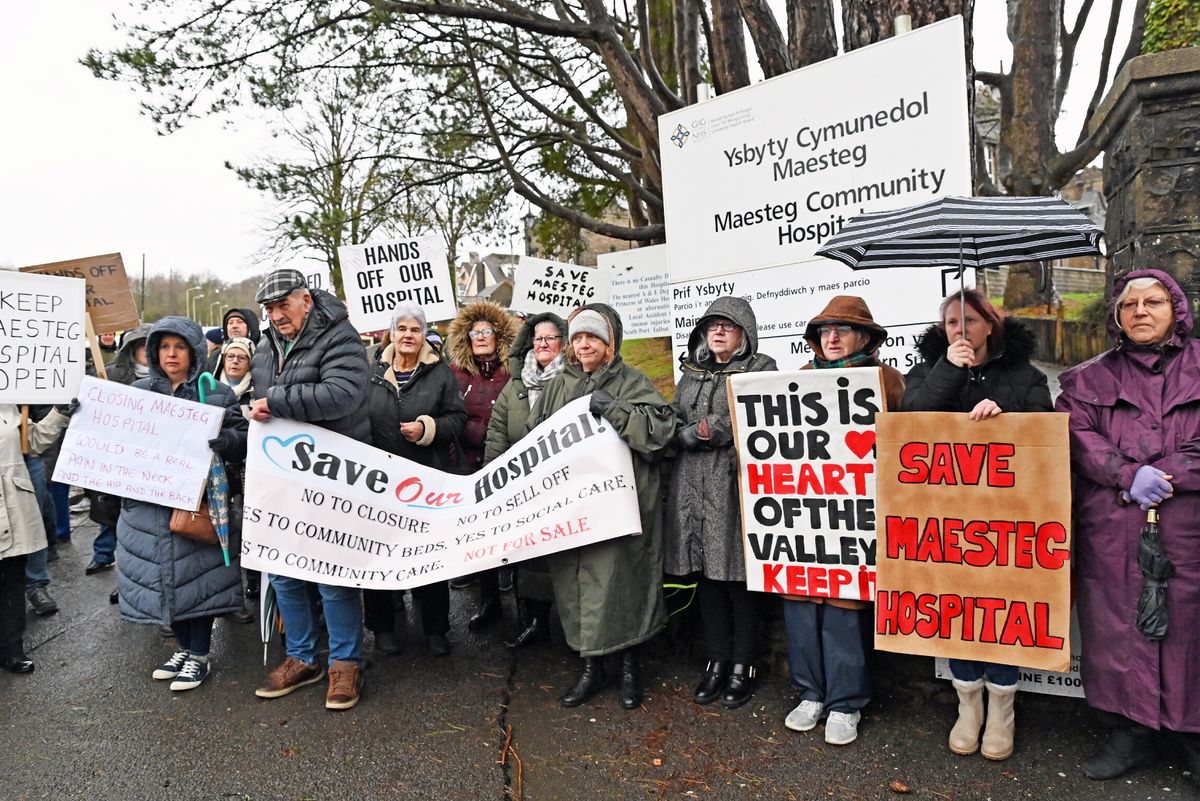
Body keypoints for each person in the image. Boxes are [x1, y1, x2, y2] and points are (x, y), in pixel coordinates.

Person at [1056, 269, 1200, 781]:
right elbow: (1074, 434)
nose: (1141, 310)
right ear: (1117, 317)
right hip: (1114, 524)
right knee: (1117, 624)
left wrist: (1166, 475)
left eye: (1154, 301)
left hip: (1187, 526)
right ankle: (1130, 731)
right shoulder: (1085, 379)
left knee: (1188, 626)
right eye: (1130, 304)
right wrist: (1124, 473)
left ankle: (1192, 735)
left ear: (1175, 310)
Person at [901, 288, 1051, 761]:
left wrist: (1006, 418)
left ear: (990, 324)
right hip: (946, 520)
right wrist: (950, 369)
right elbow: (909, 423)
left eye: (970, 320)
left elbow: (1046, 432)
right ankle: (969, 708)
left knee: (1002, 611)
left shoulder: (1025, 375)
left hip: (1007, 524)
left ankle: (1002, 709)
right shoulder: (927, 371)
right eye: (951, 323)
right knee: (957, 610)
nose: (961, 330)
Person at [532, 304, 676, 709]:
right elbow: (536, 439)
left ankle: (630, 667)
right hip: (577, 508)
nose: (583, 345)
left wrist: (614, 408)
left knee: (623, 583)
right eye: (577, 338)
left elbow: (658, 434)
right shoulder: (558, 385)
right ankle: (592, 668)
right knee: (580, 587)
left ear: (610, 342)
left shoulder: (632, 381)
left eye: (591, 337)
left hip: (621, 507)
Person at [779, 297, 905, 745]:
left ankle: (846, 702)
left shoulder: (888, 381)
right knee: (800, 603)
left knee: (844, 609)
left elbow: (906, 446)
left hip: (855, 518)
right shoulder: (797, 381)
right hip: (803, 516)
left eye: (842, 330)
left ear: (865, 337)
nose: (831, 338)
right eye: (824, 330)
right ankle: (810, 692)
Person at [249, 268, 371, 711]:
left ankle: (345, 662)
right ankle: (302, 657)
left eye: (283, 305)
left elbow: (343, 394)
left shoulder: (341, 338)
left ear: (306, 300)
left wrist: (277, 401)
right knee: (283, 569)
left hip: (332, 476)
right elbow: (263, 399)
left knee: (332, 572)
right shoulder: (265, 346)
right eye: (269, 308)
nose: (276, 315)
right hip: (284, 475)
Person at [115, 316, 248, 692]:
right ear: (154, 352)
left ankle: (200, 656)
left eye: (179, 347)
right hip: (147, 508)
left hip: (195, 504)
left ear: (194, 352)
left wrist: (229, 443)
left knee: (196, 581)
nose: (171, 355)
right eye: (164, 347)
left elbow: (242, 435)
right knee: (161, 580)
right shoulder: (137, 392)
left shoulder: (215, 392)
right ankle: (183, 648)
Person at [664, 297, 777, 710]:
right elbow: (672, 419)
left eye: (727, 325)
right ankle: (716, 659)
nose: (718, 332)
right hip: (691, 485)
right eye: (712, 325)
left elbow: (753, 413)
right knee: (708, 576)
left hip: (735, 482)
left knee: (737, 574)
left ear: (744, 331)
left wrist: (705, 430)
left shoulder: (760, 367)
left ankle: (743, 664)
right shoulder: (691, 373)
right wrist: (682, 431)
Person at [364, 303, 466, 657]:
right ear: (391, 333)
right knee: (378, 553)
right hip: (377, 482)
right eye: (402, 328)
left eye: (415, 330)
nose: (408, 335)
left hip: (425, 481)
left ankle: (436, 629)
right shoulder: (370, 368)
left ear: (424, 335)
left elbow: (457, 417)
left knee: (429, 555)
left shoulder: (440, 373)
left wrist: (428, 429)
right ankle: (382, 628)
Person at [484, 312, 568, 649]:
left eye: (550, 338)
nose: (543, 344)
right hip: (524, 490)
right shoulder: (515, 386)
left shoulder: (575, 381)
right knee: (531, 559)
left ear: (563, 342)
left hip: (565, 487)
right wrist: (492, 482)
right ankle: (535, 621)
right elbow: (497, 436)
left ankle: (574, 626)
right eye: (537, 338)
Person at [446, 301, 519, 628]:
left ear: (499, 334)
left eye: (486, 330)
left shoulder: (514, 370)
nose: (480, 337)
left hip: (511, 466)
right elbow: (449, 416)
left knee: (517, 533)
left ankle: (522, 601)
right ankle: (488, 600)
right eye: (473, 332)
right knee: (481, 536)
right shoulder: (454, 374)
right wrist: (480, 433)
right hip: (469, 466)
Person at [85, 324, 152, 576]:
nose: (146, 350)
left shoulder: (167, 376)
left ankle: (128, 574)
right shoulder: (109, 374)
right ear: (132, 348)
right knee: (111, 510)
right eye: (140, 345)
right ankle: (102, 554)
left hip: (149, 459)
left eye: (149, 345)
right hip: (117, 456)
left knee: (140, 520)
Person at [219, 335, 258, 623]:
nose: (234, 361)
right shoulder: (207, 389)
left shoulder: (257, 392)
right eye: (230, 356)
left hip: (248, 469)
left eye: (241, 357)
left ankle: (254, 579)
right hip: (218, 471)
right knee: (223, 535)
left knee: (251, 528)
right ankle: (230, 595)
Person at [208, 308, 263, 376]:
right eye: (230, 323)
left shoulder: (264, 354)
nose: (234, 326)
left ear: (251, 326)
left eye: (240, 322)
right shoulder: (216, 357)